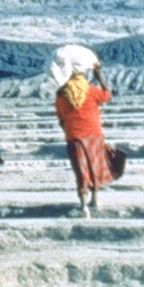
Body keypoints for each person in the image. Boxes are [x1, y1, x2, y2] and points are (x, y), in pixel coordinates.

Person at [53, 54, 120, 218]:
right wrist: (99, 76)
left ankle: (84, 206)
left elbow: (61, 119)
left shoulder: (61, 95)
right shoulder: (91, 91)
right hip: (94, 135)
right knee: (94, 167)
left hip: (74, 136)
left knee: (80, 170)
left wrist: (69, 130)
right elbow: (107, 96)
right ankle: (95, 200)